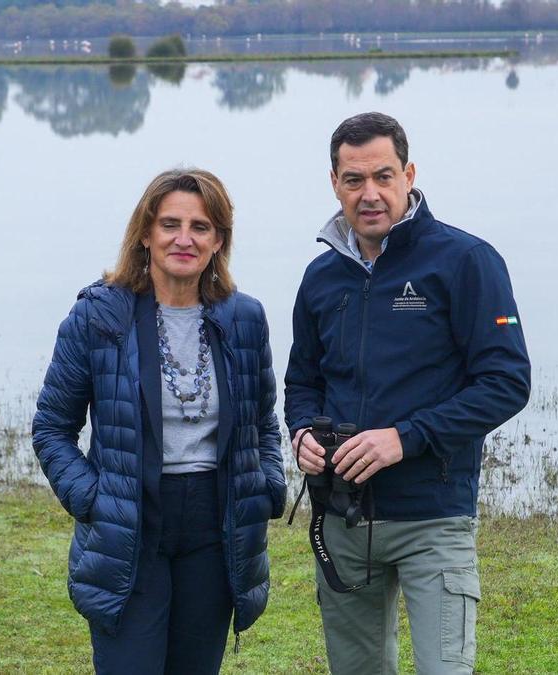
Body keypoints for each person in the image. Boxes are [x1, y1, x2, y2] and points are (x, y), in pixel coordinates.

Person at [284, 112, 531, 674]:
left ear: (409, 174)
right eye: (354, 180)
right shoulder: (321, 277)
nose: (369, 194)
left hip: (433, 519)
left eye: (383, 176)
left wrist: (405, 438)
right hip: (343, 519)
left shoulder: (466, 261)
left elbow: (507, 382)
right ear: (334, 183)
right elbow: (303, 381)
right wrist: (302, 432)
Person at [32, 168, 287, 674]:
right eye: (170, 224)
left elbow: (262, 422)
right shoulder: (98, 317)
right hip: (131, 522)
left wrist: (269, 485)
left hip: (214, 527)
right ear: (145, 233)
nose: (184, 239)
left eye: (201, 227)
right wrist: (92, 499)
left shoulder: (244, 319)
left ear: (219, 241)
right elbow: (52, 430)